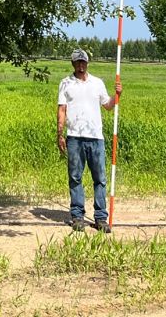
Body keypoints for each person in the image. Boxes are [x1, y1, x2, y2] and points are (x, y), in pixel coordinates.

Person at [57, 49, 122, 232]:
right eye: (77, 62)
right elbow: (62, 110)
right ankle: (77, 216)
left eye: (83, 62)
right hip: (75, 137)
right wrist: (60, 134)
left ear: (87, 63)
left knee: (99, 178)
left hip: (96, 138)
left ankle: (101, 217)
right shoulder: (65, 84)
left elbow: (108, 106)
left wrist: (117, 96)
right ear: (72, 64)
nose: (80, 65)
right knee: (75, 177)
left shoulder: (97, 83)